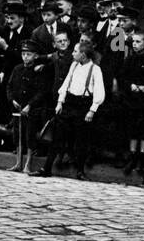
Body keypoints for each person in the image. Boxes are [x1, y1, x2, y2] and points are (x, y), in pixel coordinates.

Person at [33, 40, 105, 179]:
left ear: (83, 55)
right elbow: (66, 83)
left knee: (81, 139)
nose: (72, 54)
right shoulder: (74, 65)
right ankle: (46, 168)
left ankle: (80, 171)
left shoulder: (95, 69)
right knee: (57, 137)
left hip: (83, 105)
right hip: (69, 103)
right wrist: (60, 102)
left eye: (75, 51)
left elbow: (99, 91)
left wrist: (92, 109)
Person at [6, 37, 53, 173]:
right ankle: (18, 163)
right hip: (18, 108)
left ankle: (28, 164)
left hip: (33, 110)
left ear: (36, 56)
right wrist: (12, 100)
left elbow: (42, 91)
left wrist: (30, 105)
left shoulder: (39, 70)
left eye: (29, 54)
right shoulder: (17, 69)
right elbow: (9, 86)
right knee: (18, 135)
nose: (25, 57)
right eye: (23, 54)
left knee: (29, 136)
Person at [114, 28, 144, 175]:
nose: (135, 44)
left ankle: (142, 157)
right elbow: (122, 77)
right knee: (132, 128)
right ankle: (132, 156)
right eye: (134, 42)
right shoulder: (129, 59)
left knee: (143, 129)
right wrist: (130, 85)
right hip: (131, 99)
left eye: (138, 42)